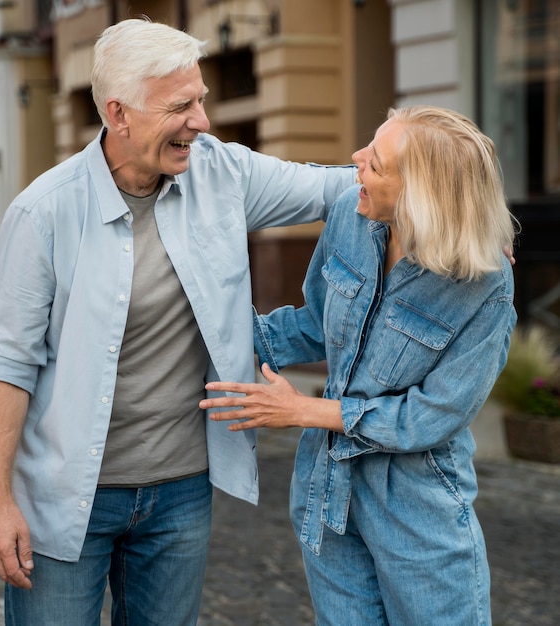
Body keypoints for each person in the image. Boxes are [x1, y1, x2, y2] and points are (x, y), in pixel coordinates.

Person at [0, 18, 357, 626]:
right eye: (181, 106)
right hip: (67, 494)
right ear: (119, 114)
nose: (201, 121)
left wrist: (467, 211)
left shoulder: (222, 175)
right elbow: (8, 364)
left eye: (200, 100)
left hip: (180, 493)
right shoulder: (43, 213)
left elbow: (345, 187)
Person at [201, 105, 517, 625]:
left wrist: (304, 411)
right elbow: (315, 324)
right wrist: (194, 334)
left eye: (375, 162)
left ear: (421, 196)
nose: (356, 164)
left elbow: (431, 416)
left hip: (418, 511)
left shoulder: (483, 286)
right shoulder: (351, 213)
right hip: (327, 494)